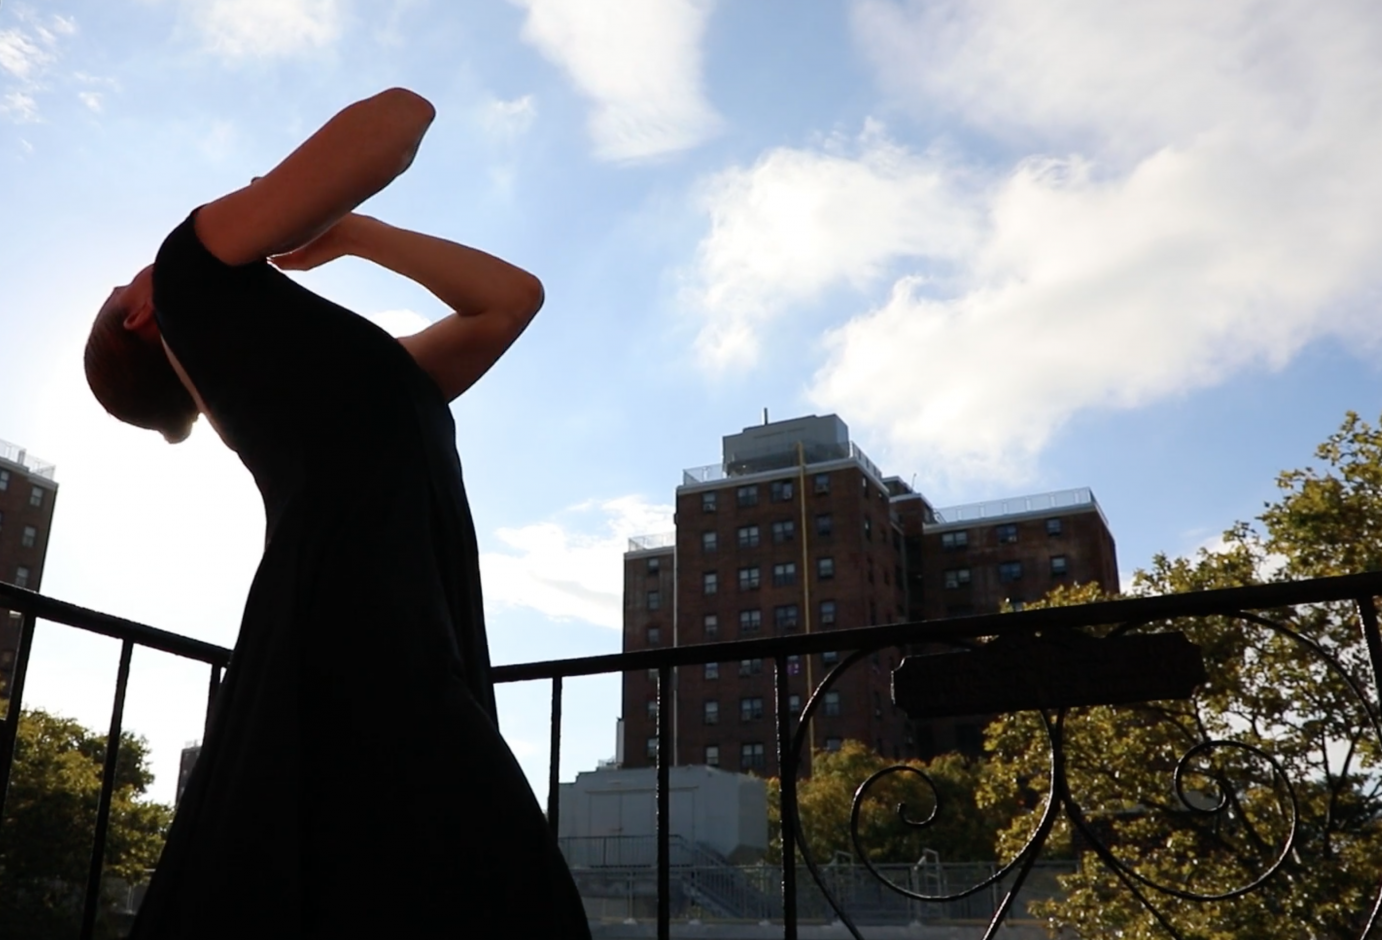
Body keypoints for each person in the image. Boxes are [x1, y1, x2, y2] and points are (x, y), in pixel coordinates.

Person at [84, 88, 591, 937]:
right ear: (141, 314)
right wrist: (297, 208)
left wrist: (351, 234)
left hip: (388, 626)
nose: (134, 271)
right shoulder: (185, 269)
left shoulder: (360, 381)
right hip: (357, 626)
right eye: (119, 286)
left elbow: (511, 299)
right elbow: (401, 118)